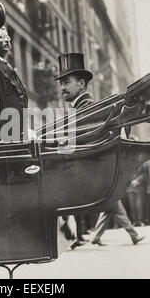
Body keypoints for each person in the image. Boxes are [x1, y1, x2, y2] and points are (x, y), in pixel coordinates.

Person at [55, 53, 95, 249]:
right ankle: (73, 233)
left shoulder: (86, 107)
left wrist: (61, 144)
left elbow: (81, 140)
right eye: (61, 83)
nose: (62, 87)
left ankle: (69, 233)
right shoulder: (79, 107)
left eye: (66, 82)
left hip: (82, 168)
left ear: (81, 84)